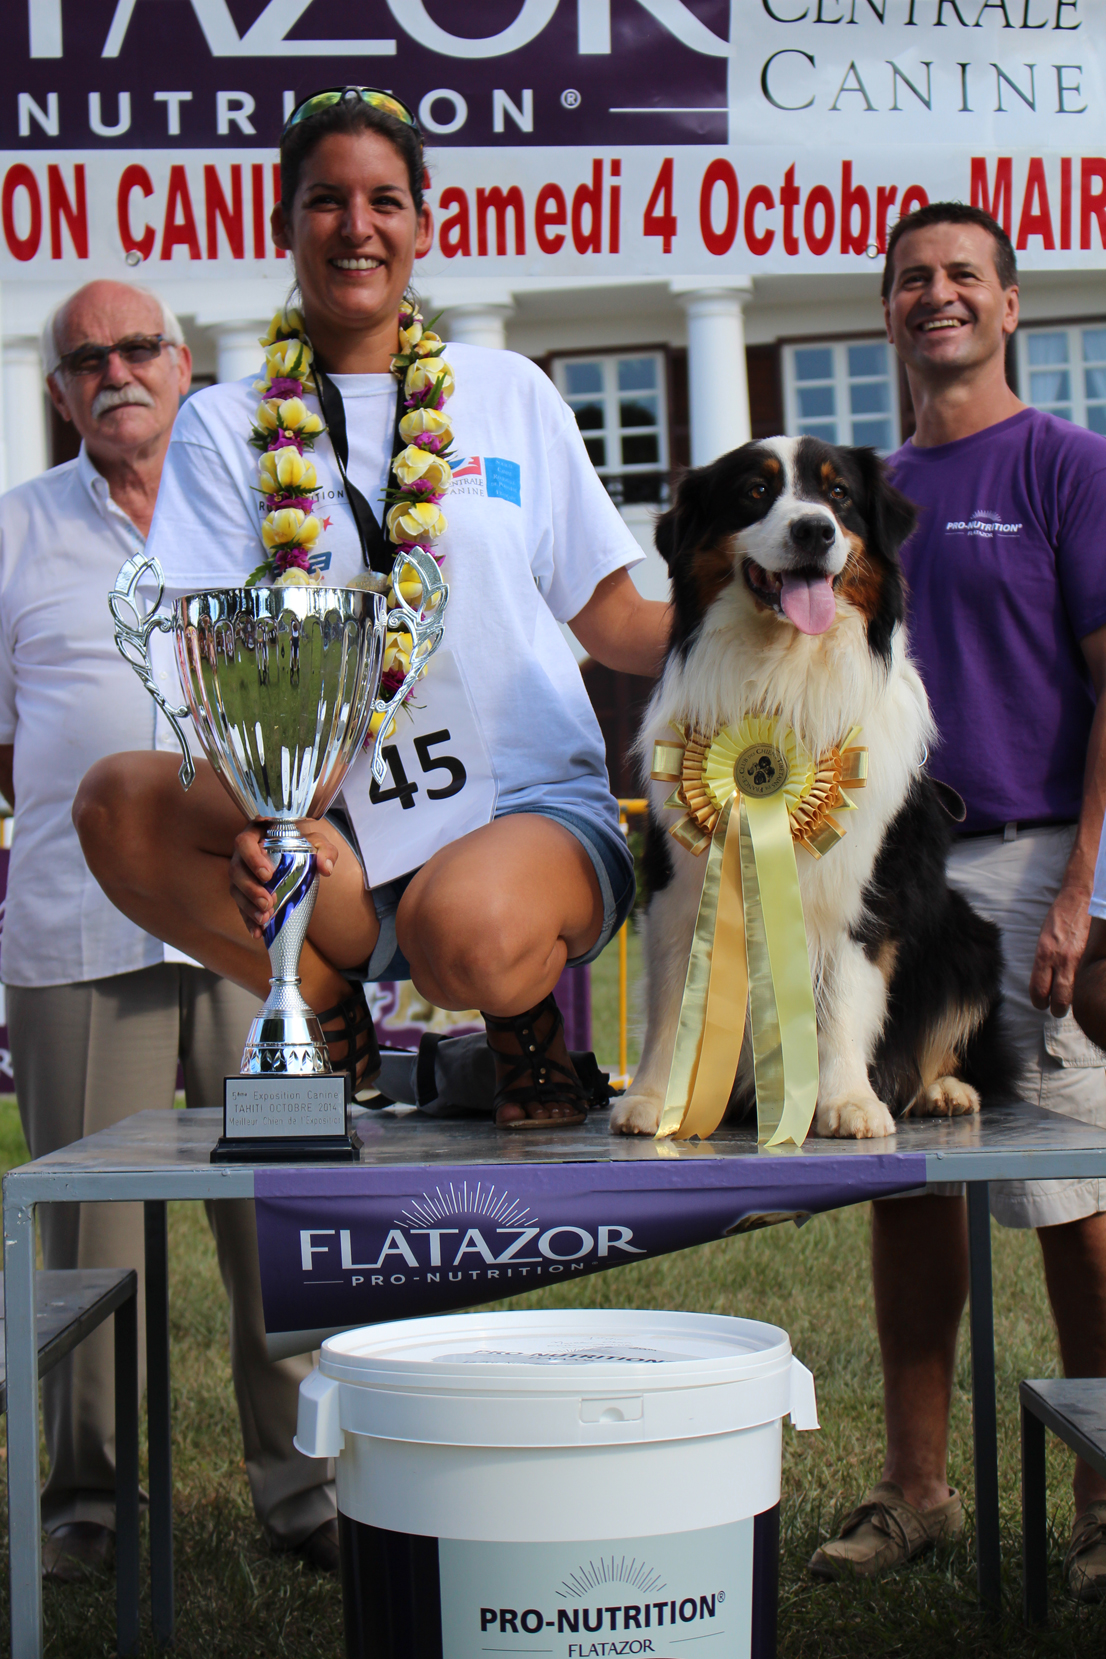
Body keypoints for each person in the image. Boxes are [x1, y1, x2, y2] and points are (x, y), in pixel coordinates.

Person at [73, 89, 668, 1131]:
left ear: (421, 223)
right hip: (338, 823)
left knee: (467, 926)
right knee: (117, 803)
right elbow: (208, 653)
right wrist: (268, 813)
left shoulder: (508, 390)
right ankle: (318, 997)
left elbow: (612, 617)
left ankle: (527, 1030)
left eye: (384, 200)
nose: (357, 227)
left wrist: (776, 627)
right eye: (325, 201)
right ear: (282, 224)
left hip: (526, 812)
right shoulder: (225, 421)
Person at [0, 280, 339, 1581]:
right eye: (84, 357)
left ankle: (303, 1481)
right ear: (58, 390)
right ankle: (88, 1494)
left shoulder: (267, 521)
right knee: (92, 1228)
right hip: (79, 935)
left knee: (280, 1205)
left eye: (138, 346)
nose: (115, 371)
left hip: (253, 925)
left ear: (184, 362)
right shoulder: (18, 532)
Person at [806, 203, 1106, 1600]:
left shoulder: (1062, 465)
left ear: (1006, 308)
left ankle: (1103, 1500)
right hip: (893, 868)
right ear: (885, 313)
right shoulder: (859, 488)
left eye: (961, 277)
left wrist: (1081, 891)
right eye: (911, 278)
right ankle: (915, 1491)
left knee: (1071, 1189)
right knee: (903, 1171)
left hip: (1034, 863)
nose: (936, 296)